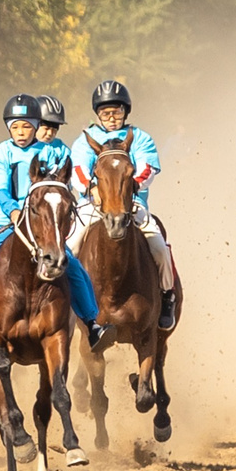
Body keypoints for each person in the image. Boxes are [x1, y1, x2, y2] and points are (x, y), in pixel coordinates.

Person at [0, 95, 101, 356]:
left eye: (27, 126)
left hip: (40, 223)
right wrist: (14, 211)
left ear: (35, 126)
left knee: (72, 264)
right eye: (15, 127)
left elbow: (60, 184)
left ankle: (93, 323)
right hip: (1, 221)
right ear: (9, 127)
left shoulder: (52, 151)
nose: (21, 132)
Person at [69, 79, 180, 331]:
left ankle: (166, 295)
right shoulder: (87, 139)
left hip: (132, 204)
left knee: (159, 246)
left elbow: (147, 169)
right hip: (93, 205)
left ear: (125, 112)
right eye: (105, 113)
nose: (111, 117)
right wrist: (91, 188)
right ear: (97, 114)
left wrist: (132, 187)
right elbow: (78, 169)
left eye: (116, 111)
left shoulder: (140, 138)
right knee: (70, 247)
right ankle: (63, 301)